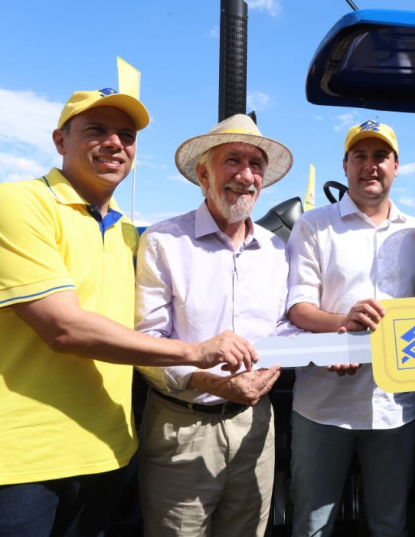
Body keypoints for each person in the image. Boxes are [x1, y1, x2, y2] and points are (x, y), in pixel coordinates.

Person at [0, 88, 256, 536]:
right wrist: (197, 352)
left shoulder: (131, 236)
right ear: (60, 140)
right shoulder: (14, 203)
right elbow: (64, 327)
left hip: (110, 451)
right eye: (96, 130)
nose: (115, 143)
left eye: (127, 134)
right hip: (16, 460)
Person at [135, 114, 294, 536]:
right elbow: (144, 344)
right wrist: (212, 382)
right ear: (203, 173)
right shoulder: (163, 241)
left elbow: (281, 328)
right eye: (233, 161)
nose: (245, 176)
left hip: (255, 426)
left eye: (255, 164)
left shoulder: (276, 250)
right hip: (181, 429)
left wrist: (293, 360)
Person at [285, 120, 415, 536]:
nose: (371, 166)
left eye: (380, 156)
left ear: (397, 166)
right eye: (360, 156)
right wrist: (342, 325)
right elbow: (298, 308)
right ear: (345, 165)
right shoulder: (313, 225)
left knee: (390, 524)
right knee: (312, 524)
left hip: (394, 409)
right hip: (321, 406)